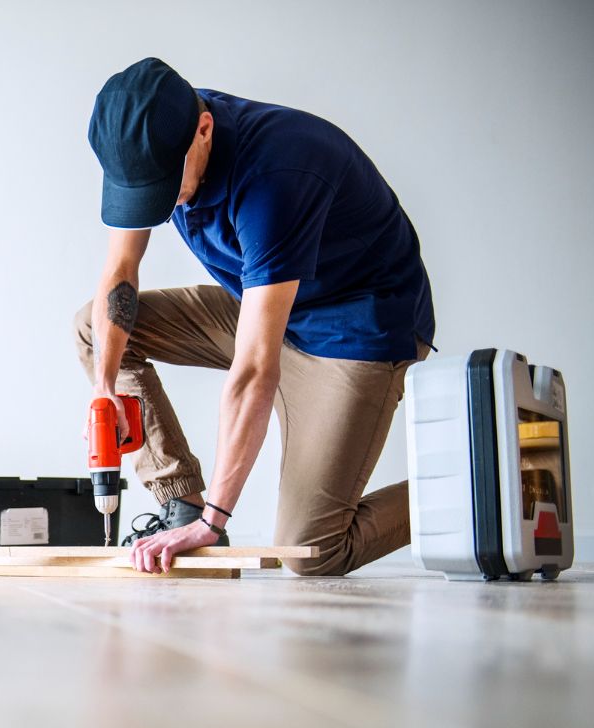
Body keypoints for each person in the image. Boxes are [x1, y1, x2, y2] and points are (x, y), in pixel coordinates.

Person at [76, 57, 435, 576]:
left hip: (353, 331)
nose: (159, 202)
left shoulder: (276, 177)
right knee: (97, 329)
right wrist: (106, 388)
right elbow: (120, 272)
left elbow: (253, 371)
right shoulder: (156, 133)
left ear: (204, 130)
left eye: (164, 187)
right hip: (264, 303)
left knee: (313, 551)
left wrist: (215, 523)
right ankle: (181, 504)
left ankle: (480, 477)